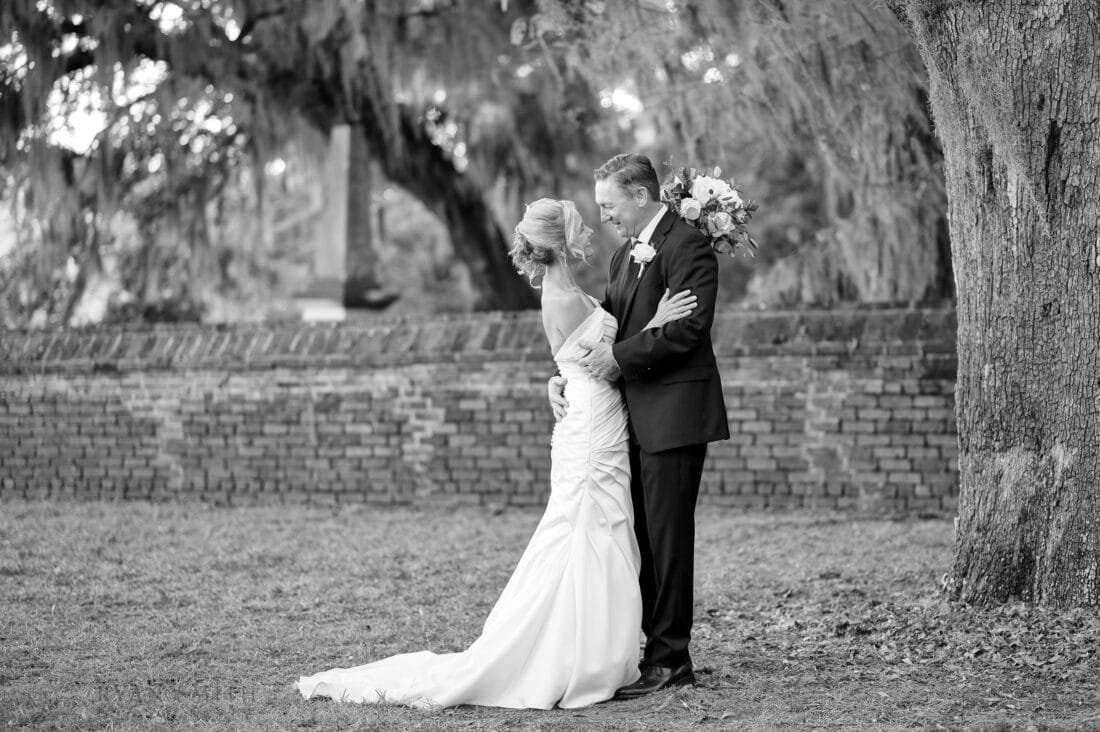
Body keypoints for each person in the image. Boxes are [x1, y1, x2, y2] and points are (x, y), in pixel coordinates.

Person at [296, 198, 696, 710]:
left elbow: (579, 357)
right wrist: (658, 320)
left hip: (598, 417)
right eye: (576, 222)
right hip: (593, 424)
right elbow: (603, 362)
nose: (585, 228)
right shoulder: (563, 298)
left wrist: (559, 376)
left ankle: (601, 649)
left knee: (603, 525)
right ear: (557, 239)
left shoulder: (570, 292)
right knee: (587, 527)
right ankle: (575, 655)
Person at [550, 153, 730, 699]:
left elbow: (689, 329)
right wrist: (560, 374)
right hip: (632, 417)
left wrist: (620, 359)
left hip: (675, 417)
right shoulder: (624, 255)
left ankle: (673, 659)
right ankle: (651, 649)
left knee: (669, 539)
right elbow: (603, 329)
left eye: (608, 204)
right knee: (644, 538)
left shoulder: (687, 246)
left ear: (641, 196)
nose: (603, 214)